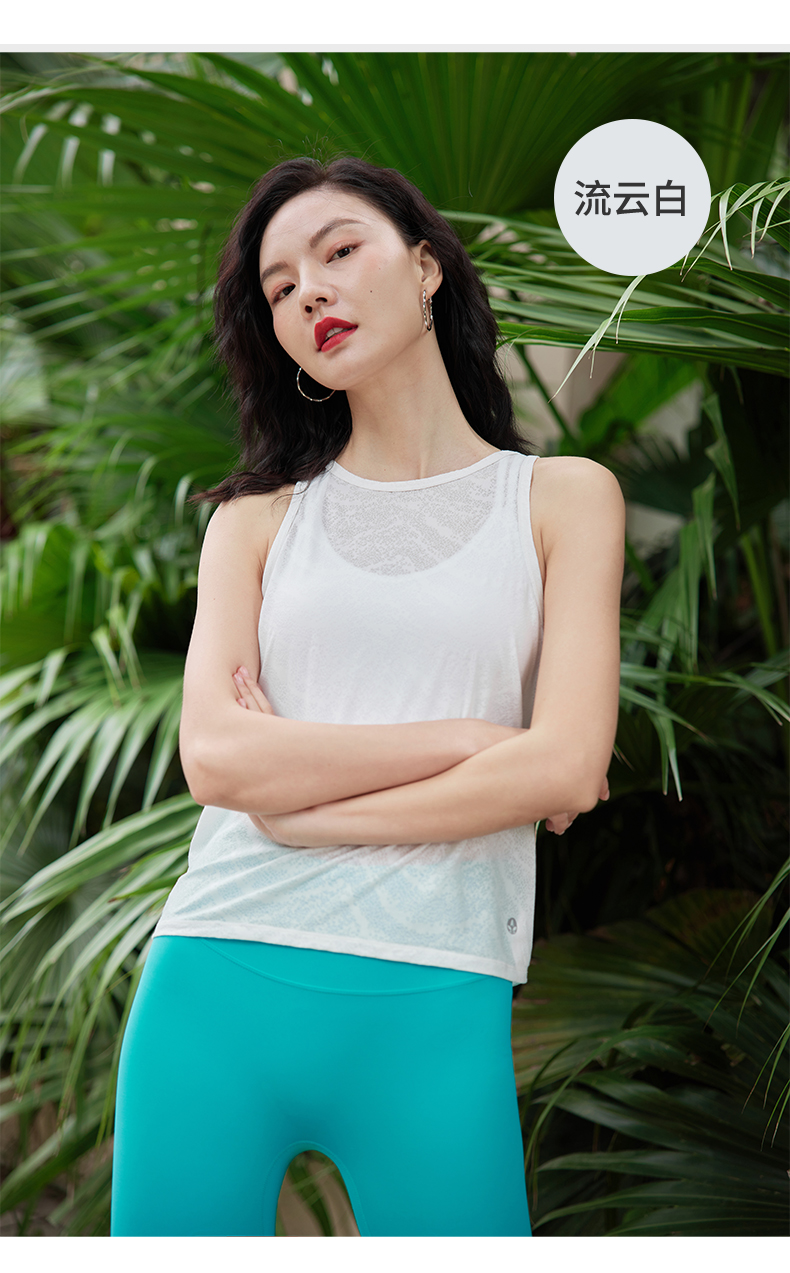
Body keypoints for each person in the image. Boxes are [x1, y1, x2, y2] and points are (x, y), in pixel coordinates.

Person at [110, 156, 625, 1238]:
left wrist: (303, 811)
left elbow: (568, 767)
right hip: (216, 978)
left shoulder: (562, 500)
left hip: (439, 993)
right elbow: (218, 760)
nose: (310, 291)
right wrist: (472, 740)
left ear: (426, 267)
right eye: (280, 286)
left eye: (339, 251)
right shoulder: (256, 520)